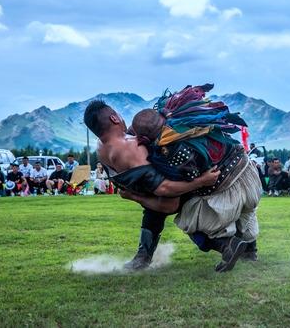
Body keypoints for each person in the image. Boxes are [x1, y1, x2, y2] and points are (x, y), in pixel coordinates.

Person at [85, 84, 260, 273]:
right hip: (248, 175)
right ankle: (247, 248)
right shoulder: (137, 146)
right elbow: (163, 190)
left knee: (187, 219)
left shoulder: (102, 148)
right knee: (160, 206)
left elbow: (168, 199)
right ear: (114, 118)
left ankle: (228, 245)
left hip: (230, 186)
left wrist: (199, 182)